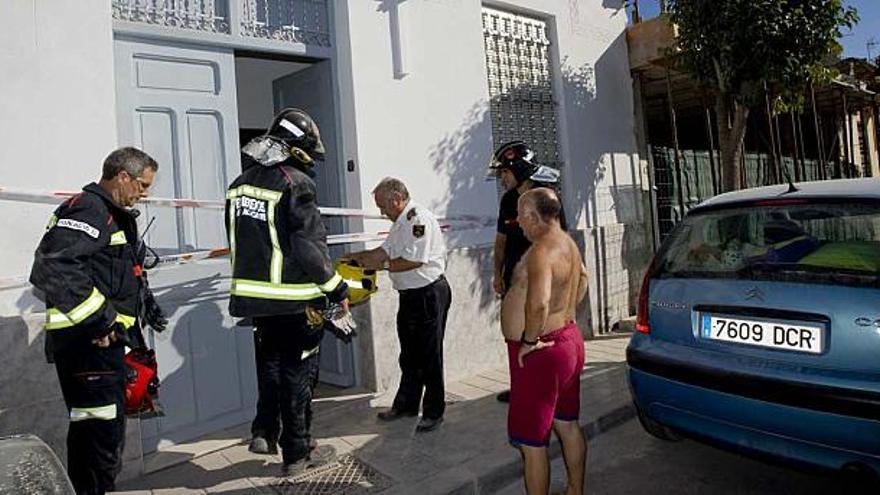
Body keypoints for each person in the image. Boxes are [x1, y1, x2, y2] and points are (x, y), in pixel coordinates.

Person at [29, 147, 164, 495]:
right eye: (142, 185)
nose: (144, 193)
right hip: (88, 346)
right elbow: (52, 266)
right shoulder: (89, 209)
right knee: (97, 442)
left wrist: (145, 305)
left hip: (104, 346)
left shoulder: (112, 213)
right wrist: (102, 322)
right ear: (122, 176)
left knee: (103, 439)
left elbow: (117, 271)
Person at [227, 108, 352, 476]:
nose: (312, 159)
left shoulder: (239, 184)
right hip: (296, 301)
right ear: (298, 148)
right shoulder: (296, 182)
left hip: (257, 302)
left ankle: (264, 432)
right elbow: (307, 246)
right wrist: (336, 288)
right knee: (299, 376)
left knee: (271, 367)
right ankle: (297, 454)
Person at [344, 178, 451, 433]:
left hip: (428, 294)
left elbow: (413, 260)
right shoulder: (400, 221)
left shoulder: (418, 220)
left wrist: (376, 265)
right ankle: (406, 405)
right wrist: (357, 258)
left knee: (429, 356)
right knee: (409, 355)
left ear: (396, 199)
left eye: (382, 206)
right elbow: (385, 252)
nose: (381, 212)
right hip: (410, 295)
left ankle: (434, 411)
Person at [505, 188, 588, 495]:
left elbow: (537, 303)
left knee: (531, 443)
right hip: (567, 341)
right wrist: (565, 316)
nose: (518, 222)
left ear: (531, 214)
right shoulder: (567, 243)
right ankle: (575, 491)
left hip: (542, 353)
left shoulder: (542, 250)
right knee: (567, 424)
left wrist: (529, 340)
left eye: (520, 215)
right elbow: (584, 279)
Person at [489, 141, 564, 403]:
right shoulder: (508, 200)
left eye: (505, 173)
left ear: (519, 170)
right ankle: (521, 384)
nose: (502, 178)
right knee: (515, 333)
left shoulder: (546, 200)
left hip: (539, 280)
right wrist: (497, 274)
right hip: (514, 281)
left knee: (540, 333)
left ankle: (544, 386)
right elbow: (501, 241)